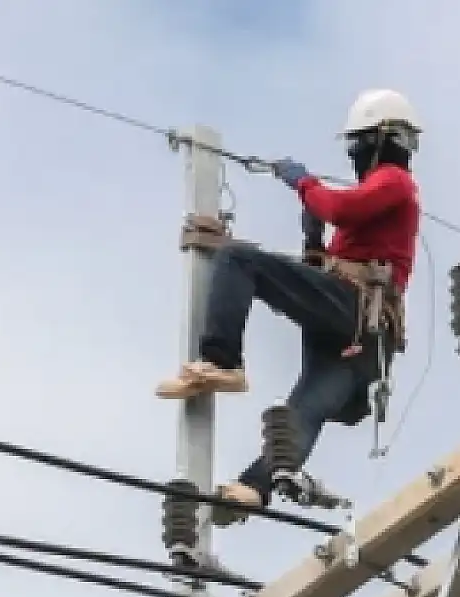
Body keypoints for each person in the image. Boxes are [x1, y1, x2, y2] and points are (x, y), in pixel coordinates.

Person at [155, 88, 424, 519]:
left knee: (239, 261)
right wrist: (314, 241)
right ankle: (253, 489)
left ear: (376, 141)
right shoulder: (384, 201)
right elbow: (337, 250)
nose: (354, 154)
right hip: (366, 340)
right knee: (308, 408)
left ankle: (222, 361)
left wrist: (302, 182)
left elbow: (337, 206)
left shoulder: (394, 181)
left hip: (355, 312)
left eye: (357, 144)